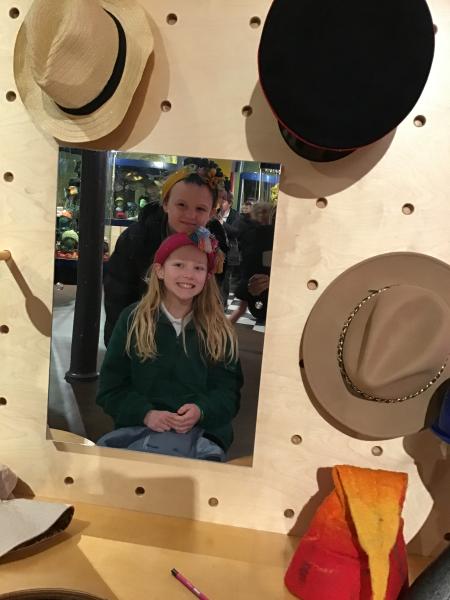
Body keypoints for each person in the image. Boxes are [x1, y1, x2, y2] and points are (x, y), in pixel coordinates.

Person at [96, 228, 243, 461]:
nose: (189, 274)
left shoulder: (219, 330)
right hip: (138, 432)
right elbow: (110, 388)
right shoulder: (132, 320)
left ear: (207, 276)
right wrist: (145, 413)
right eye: (179, 265)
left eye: (198, 268)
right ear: (160, 270)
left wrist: (201, 411)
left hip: (204, 436)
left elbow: (228, 393)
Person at [103, 166, 223, 346]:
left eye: (200, 208)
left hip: (192, 341)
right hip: (140, 336)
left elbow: (214, 297)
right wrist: (122, 343)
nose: (191, 215)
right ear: (166, 204)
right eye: (181, 205)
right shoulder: (137, 239)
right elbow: (117, 296)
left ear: (211, 213)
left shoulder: (214, 245)